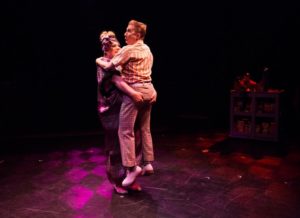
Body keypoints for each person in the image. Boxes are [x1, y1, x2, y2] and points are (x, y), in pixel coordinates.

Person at [96, 20, 157, 187]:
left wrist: (136, 92)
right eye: (116, 48)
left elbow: (115, 68)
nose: (119, 49)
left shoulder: (126, 52)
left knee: (130, 133)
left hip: (135, 97)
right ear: (107, 49)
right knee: (128, 135)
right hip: (117, 107)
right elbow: (117, 80)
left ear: (137, 35)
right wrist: (141, 91)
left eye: (128, 31)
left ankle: (134, 168)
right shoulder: (144, 49)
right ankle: (132, 171)